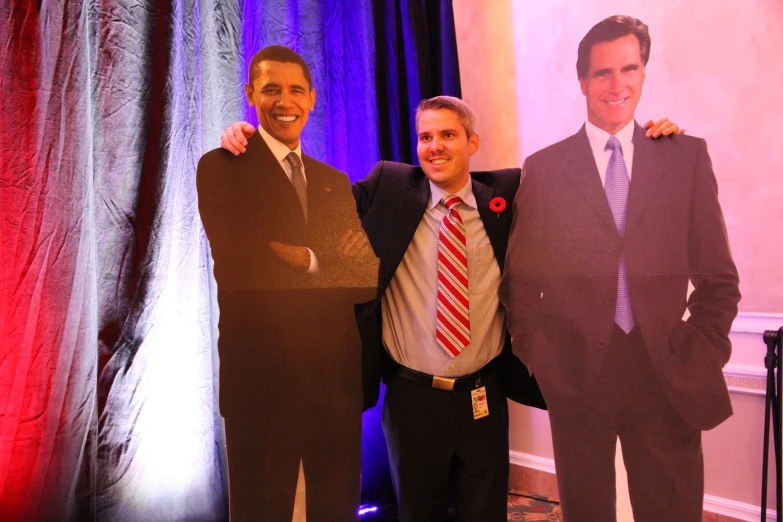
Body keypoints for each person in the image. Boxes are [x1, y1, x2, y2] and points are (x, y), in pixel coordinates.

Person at [220, 96, 681, 521]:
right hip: (412, 400)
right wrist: (260, 158)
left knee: (485, 514)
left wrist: (651, 155)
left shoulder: (507, 195)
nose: (434, 147)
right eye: (425, 137)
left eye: (447, 135)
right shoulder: (391, 187)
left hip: (484, 398)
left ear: (472, 142)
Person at [500, 15, 740, 522]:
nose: (617, 84)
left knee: (672, 511)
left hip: (665, 371)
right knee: (587, 512)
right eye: (603, 73)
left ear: (644, 73)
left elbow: (719, 279)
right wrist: (542, 356)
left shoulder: (684, 157)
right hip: (577, 374)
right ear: (583, 81)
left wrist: (698, 352)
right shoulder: (544, 169)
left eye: (628, 69)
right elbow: (520, 282)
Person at [196, 45, 377, 522]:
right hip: (261, 384)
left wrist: (302, 258)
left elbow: (364, 277)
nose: (285, 100)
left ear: (313, 99)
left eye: (296, 90)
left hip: (334, 384)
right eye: (271, 88)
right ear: (250, 93)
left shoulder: (332, 181)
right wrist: (328, 261)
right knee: (260, 511)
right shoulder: (221, 168)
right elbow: (243, 267)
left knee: (335, 511)